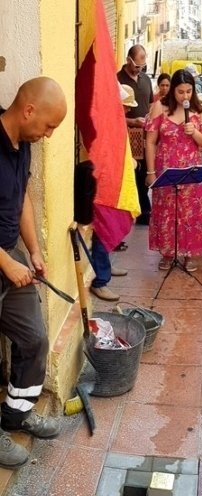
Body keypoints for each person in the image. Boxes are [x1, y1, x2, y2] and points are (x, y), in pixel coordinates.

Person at [0, 77, 68, 468]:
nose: (49, 135)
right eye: (48, 126)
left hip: (12, 256)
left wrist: (33, 250)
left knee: (35, 338)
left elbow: (22, 195)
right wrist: (6, 262)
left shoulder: (22, 144)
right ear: (28, 111)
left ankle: (17, 413)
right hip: (3, 260)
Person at [145, 69, 202, 272]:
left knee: (189, 213)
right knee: (166, 212)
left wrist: (194, 133)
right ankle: (167, 253)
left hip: (190, 171)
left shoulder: (198, 110)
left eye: (189, 91)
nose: (185, 96)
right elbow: (150, 141)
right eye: (181, 91)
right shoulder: (160, 107)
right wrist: (150, 172)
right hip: (165, 169)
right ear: (173, 90)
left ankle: (189, 253)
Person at [89, 85, 138, 302]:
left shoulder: (115, 123)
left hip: (112, 183)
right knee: (102, 231)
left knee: (109, 229)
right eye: (125, 107)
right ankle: (100, 279)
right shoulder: (104, 123)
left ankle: (105, 268)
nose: (127, 112)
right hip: (103, 187)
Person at [118, 44, 154, 225]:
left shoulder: (146, 80)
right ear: (128, 60)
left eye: (142, 66)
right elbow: (112, 114)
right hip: (127, 134)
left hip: (145, 135)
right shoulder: (117, 79)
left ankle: (142, 209)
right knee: (131, 171)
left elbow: (150, 104)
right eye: (137, 66)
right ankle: (141, 210)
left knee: (145, 171)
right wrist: (132, 121)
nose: (139, 69)